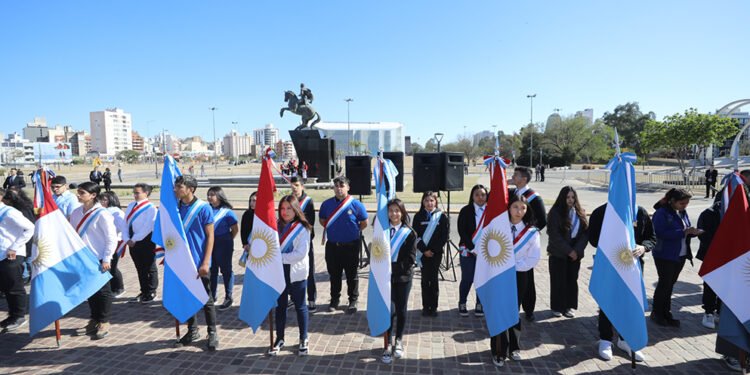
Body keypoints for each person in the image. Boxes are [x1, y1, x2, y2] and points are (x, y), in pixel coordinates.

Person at [588, 203, 654, 362]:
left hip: (633, 267)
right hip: (609, 264)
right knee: (607, 301)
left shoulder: (640, 212)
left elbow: (651, 237)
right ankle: (605, 339)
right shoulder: (600, 212)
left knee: (629, 302)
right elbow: (593, 239)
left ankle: (625, 340)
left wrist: (643, 247)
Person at [490, 194, 541, 367]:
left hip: (519, 275)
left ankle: (514, 347)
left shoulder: (531, 232)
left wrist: (513, 266)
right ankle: (498, 350)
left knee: (513, 311)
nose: (519, 211)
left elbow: (533, 257)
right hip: (499, 274)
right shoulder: (499, 227)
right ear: (509, 208)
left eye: (523, 208)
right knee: (499, 311)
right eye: (515, 207)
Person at [172, 175, 218, 351]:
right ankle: (192, 330)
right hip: (182, 262)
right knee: (187, 296)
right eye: (176, 186)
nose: (176, 190)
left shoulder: (203, 208)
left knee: (206, 299)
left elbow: (210, 236)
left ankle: (212, 332)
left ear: (190, 189)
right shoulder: (175, 208)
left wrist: (206, 261)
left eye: (179, 187)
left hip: (199, 261)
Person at [70, 182, 118, 340]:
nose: (78, 195)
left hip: (99, 258)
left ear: (93, 195)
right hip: (83, 258)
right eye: (78, 192)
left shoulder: (102, 214)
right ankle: (94, 319)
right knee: (90, 290)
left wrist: (107, 258)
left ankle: (104, 320)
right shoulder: (76, 212)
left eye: (82, 193)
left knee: (103, 291)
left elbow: (111, 238)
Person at [268, 195, 312, 356]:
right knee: (280, 306)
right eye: (282, 208)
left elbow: (300, 253)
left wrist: (278, 258)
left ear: (296, 210)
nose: (285, 212)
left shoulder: (303, 227)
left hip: (296, 272)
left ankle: (303, 338)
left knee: (300, 306)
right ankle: (280, 338)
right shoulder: (274, 226)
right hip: (279, 272)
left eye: (289, 208)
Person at [319, 176, 368, 314]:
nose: (339, 188)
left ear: (348, 187)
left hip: (351, 246)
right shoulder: (326, 204)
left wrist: (350, 232)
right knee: (334, 275)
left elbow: (364, 223)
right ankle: (334, 299)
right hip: (333, 246)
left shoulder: (356, 205)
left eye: (342, 185)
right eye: (336, 186)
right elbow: (323, 220)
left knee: (352, 274)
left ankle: (353, 300)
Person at [651, 188, 698, 327]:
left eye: (687, 203)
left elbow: (686, 228)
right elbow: (660, 233)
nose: (685, 206)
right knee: (664, 284)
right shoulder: (661, 213)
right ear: (672, 201)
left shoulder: (682, 212)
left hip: (680, 254)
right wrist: (683, 232)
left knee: (670, 285)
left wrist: (693, 232)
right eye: (682, 203)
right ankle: (658, 313)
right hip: (665, 254)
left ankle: (666, 312)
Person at [381, 199, 417, 364]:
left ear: (402, 212)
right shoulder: (382, 231)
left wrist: (389, 268)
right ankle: (387, 343)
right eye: (390, 211)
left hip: (403, 278)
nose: (394, 214)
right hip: (385, 279)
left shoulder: (409, 233)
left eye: (397, 210)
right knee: (389, 311)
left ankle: (399, 340)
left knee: (401, 310)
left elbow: (409, 260)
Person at [509, 166, 547, 321]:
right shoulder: (513, 193)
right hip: (511, 240)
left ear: (524, 179)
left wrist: (527, 233)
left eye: (515, 175)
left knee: (527, 279)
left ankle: (529, 309)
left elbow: (542, 220)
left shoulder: (533, 197)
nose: (513, 176)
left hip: (525, 243)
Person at [546, 186, 588, 318]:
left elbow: (585, 234)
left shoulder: (580, 212)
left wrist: (577, 250)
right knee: (558, 281)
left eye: (572, 197)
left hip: (575, 254)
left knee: (571, 280)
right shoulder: (555, 213)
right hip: (559, 253)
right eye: (568, 197)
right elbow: (554, 235)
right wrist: (568, 250)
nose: (570, 200)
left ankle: (569, 306)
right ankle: (557, 307)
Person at [0, 188, 34, 332]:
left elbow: (30, 228)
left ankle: (19, 316)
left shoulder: (10, 212)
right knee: (6, 287)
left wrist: (14, 247)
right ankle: (12, 315)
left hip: (11, 254)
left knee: (14, 287)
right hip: (1, 254)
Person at [412, 191, 448, 317]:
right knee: (424, 280)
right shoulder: (418, 217)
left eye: (432, 200)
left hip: (435, 254)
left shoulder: (442, 217)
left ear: (436, 202)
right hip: (422, 254)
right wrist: (424, 250)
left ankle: (434, 307)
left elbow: (444, 236)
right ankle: (425, 306)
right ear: (423, 202)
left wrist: (432, 250)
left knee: (433, 280)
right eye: (427, 200)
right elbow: (415, 235)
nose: (429, 203)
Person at [123, 183, 158, 304]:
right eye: (134, 192)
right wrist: (126, 238)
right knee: (139, 267)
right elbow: (125, 223)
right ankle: (143, 290)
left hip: (145, 240)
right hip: (132, 241)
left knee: (149, 267)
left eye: (138, 192)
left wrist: (135, 239)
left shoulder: (150, 208)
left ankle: (152, 291)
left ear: (146, 193)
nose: (135, 195)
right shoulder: (131, 205)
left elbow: (148, 226)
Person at [456, 184, 488, 317]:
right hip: (469, 251)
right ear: (472, 196)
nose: (480, 197)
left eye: (483, 194)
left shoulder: (491, 211)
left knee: (482, 279)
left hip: (486, 252)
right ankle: (462, 302)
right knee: (467, 278)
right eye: (477, 195)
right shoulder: (466, 210)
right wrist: (472, 248)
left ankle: (480, 303)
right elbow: (461, 231)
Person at [206, 187, 238, 311]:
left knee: (226, 271)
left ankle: (228, 297)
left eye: (212, 195)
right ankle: (212, 296)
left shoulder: (227, 212)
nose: (210, 197)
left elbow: (235, 229)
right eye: (208, 194)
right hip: (210, 243)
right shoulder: (207, 209)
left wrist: (228, 239)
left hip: (223, 243)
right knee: (212, 270)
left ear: (219, 196)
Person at [290, 177, 318, 312]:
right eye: (292, 185)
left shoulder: (308, 202)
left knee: (309, 270)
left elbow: (310, 224)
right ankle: (292, 297)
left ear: (302, 186)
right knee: (291, 270)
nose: (294, 188)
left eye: (296, 185)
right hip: (290, 241)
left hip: (304, 241)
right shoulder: (289, 201)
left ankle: (311, 298)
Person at [3, 188, 35, 284]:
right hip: (23, 239)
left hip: (23, 239)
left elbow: (29, 226)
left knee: (26, 260)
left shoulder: (15, 211)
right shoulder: (23, 206)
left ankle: (26, 277)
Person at [98, 191, 126, 298]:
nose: (102, 202)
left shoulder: (115, 211)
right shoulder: (102, 210)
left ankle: (119, 288)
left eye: (105, 200)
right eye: (101, 199)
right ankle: (111, 287)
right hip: (104, 241)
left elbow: (122, 226)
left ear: (112, 200)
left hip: (116, 241)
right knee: (109, 265)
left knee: (112, 266)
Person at [240, 192, 257, 265]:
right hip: (249, 245)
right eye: (250, 200)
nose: (251, 203)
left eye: (254, 201)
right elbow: (243, 230)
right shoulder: (247, 214)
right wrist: (245, 243)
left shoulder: (264, 216)